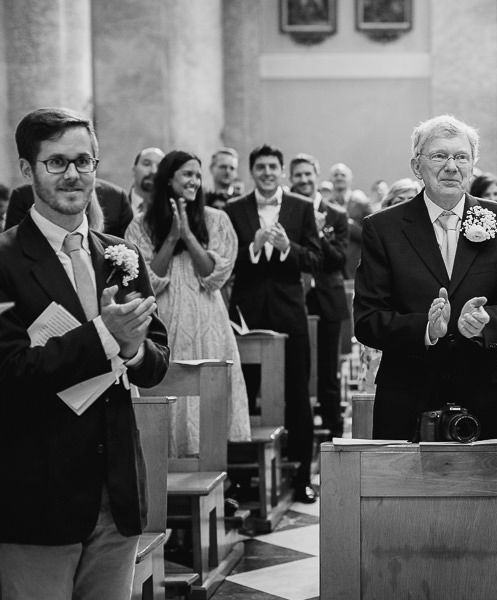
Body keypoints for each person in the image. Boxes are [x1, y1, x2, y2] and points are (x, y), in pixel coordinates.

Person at [0, 107, 169, 598]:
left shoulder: (119, 255)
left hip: (116, 491)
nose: (73, 175)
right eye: (56, 163)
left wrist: (132, 349)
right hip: (37, 491)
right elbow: (8, 371)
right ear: (27, 169)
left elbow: (157, 361)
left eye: (84, 161)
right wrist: (105, 335)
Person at [354, 114, 497, 441]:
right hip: (408, 392)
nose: (451, 166)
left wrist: (484, 322)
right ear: (416, 166)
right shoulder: (383, 229)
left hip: (486, 392)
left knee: (491, 492)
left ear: (473, 165)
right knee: (403, 491)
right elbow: (367, 319)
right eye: (439, 156)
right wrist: (426, 328)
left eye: (461, 156)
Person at [125, 150, 251, 456]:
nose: (194, 181)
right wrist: (171, 237)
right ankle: (166, 476)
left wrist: (188, 235)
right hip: (166, 320)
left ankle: (217, 474)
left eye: (197, 175)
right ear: (169, 178)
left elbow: (215, 275)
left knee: (208, 392)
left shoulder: (216, 220)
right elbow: (149, 281)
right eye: (187, 174)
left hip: (208, 321)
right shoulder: (140, 225)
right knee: (171, 392)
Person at [224, 144, 322, 503]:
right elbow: (226, 261)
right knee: (243, 393)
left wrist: (286, 247)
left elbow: (316, 259)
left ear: (281, 171)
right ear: (252, 171)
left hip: (289, 312)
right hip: (245, 312)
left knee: (297, 393)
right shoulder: (234, 210)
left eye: (272, 167)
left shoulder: (301, 206)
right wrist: (253, 247)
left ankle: (300, 477)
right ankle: (240, 477)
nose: (267, 172)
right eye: (260, 167)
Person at [290, 153, 349, 440]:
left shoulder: (335, 214)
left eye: (307, 174)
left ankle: (334, 433)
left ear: (316, 176)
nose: (303, 180)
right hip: (295, 298)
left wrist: (320, 232)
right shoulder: (287, 211)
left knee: (328, 371)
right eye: (297, 175)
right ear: (291, 179)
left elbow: (339, 260)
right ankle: (299, 432)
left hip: (327, 296)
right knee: (296, 370)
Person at [6, 175, 134, 238]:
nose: (72, 174)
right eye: (58, 161)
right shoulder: (23, 195)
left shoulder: (116, 196)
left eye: (82, 160)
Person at [128, 146, 165, 215]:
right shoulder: (116, 207)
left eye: (160, 166)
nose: (154, 171)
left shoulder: (172, 211)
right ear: (134, 170)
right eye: (147, 164)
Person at [345, 190, 373, 280]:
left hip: (356, 261)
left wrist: (351, 225)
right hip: (341, 262)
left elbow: (370, 234)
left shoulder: (363, 203)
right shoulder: (333, 203)